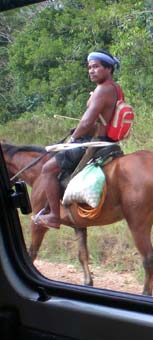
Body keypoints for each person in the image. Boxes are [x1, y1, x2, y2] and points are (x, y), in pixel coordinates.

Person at [33, 50, 123, 229]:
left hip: (93, 142)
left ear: (108, 69)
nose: (91, 71)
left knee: (48, 169)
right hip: (106, 141)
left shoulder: (103, 89)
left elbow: (88, 121)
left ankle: (53, 216)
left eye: (96, 67)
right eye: (89, 67)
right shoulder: (115, 89)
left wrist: (74, 138)